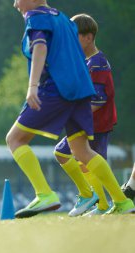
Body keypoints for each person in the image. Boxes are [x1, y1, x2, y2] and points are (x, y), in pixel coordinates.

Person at [7, 0, 135, 218]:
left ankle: (45, 194)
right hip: (81, 91)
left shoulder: (36, 16)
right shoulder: (63, 18)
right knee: (81, 151)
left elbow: (39, 46)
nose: (15, 4)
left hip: (57, 89)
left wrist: (33, 86)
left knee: (15, 139)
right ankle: (122, 202)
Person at [54, 14, 116, 216]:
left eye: (75, 37)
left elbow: (99, 100)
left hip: (96, 125)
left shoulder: (98, 64)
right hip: (84, 125)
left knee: (92, 164)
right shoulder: (85, 62)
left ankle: (114, 203)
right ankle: (98, 200)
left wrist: (72, 115)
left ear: (88, 38)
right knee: (68, 155)